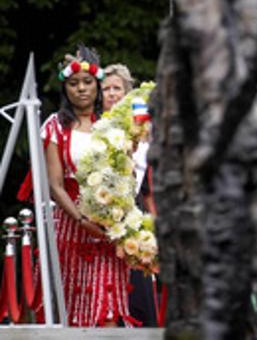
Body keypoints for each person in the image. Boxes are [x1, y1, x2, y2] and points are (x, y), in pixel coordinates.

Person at [19, 45, 139, 327]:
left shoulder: (112, 125)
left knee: (107, 305)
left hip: (109, 228)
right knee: (68, 306)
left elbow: (127, 175)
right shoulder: (54, 126)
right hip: (70, 225)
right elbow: (55, 184)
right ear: (66, 89)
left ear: (97, 86)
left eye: (87, 82)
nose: (81, 89)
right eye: (74, 84)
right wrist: (81, 218)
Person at [102, 64, 158, 327]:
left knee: (140, 294)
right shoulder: (92, 128)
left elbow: (148, 187)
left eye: (117, 88)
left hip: (134, 213)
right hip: (100, 213)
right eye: (106, 88)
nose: (111, 94)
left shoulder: (142, 130)